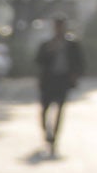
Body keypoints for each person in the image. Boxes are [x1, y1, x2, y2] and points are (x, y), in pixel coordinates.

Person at [35, 17, 86, 154]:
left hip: (62, 81)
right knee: (45, 110)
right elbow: (39, 61)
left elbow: (79, 62)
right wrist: (50, 50)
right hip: (48, 81)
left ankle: (55, 137)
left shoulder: (72, 44)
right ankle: (47, 132)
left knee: (60, 110)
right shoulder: (47, 43)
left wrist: (75, 76)